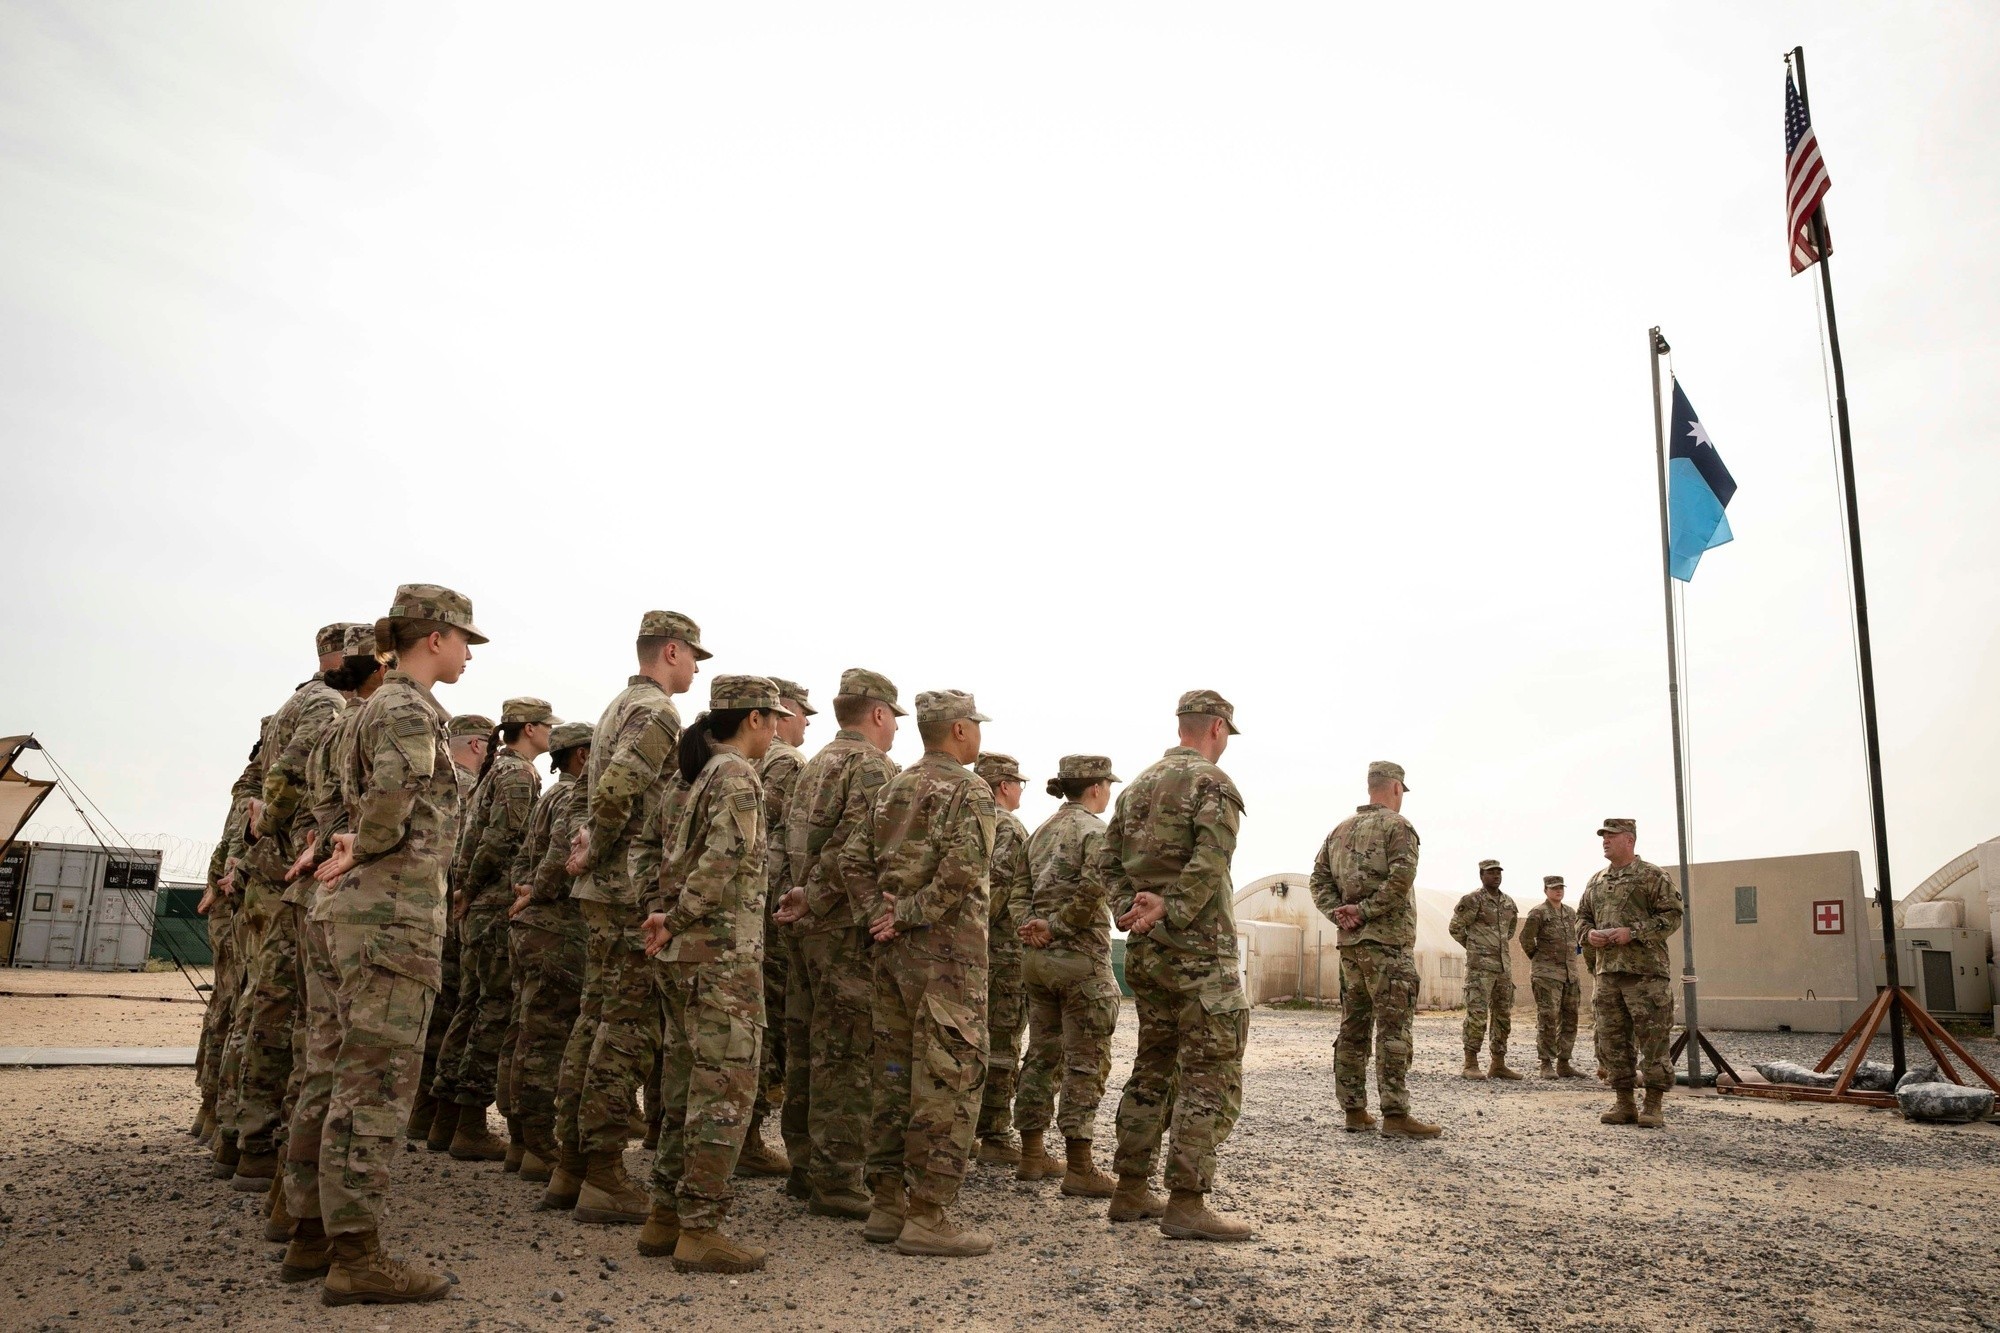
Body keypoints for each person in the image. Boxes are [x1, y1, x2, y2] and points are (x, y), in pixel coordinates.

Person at [289, 583, 484, 1305]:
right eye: (465, 639)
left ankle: (310, 1233)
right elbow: (391, 806)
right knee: (372, 1085)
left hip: (351, 912)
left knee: (330, 1073)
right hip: (390, 915)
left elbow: (331, 799)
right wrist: (362, 845)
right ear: (433, 637)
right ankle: (356, 1255)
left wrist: (342, 846)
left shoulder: (365, 710)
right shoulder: (406, 708)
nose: (468, 653)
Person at [635, 676, 793, 1273]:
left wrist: (664, 915)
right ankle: (700, 1227)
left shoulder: (697, 776)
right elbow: (724, 857)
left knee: (682, 1090)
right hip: (719, 957)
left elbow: (655, 851)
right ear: (752, 719)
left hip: (688, 958)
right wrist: (676, 918)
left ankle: (664, 1217)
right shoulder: (735, 776)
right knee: (723, 1094)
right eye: (772, 717)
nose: (777, 728)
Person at [552, 610, 706, 1221]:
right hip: (626, 893)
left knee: (594, 1022)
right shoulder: (658, 712)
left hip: (605, 891)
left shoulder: (621, 704)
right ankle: (604, 1172)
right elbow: (617, 789)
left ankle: (573, 1163)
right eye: (694, 655)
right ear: (671, 651)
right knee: (627, 1030)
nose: (696, 667)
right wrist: (598, 842)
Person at [847, 690, 996, 1257]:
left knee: (892, 1073)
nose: (978, 736)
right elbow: (963, 870)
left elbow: (850, 859)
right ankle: (928, 1214)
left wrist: (877, 915)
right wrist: (905, 915)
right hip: (947, 961)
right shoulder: (969, 789)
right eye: (974, 726)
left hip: (892, 958)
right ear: (959, 730)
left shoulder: (894, 787)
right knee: (947, 1079)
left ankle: (887, 1204)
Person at [1102, 690, 1253, 1241]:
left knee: (1154, 1067)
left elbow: (1107, 856)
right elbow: (1211, 860)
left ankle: (1130, 1188)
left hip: (1148, 955)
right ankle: (1187, 1202)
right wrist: (1173, 907)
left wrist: (1129, 908)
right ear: (1216, 728)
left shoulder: (1138, 785)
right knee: (1208, 1075)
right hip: (1198, 956)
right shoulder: (1212, 784)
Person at [214, 621, 357, 1186]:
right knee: (283, 1011)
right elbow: (277, 781)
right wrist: (273, 834)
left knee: (260, 1003)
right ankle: (257, 1143)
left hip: (270, 873)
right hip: (286, 875)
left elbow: (247, 781)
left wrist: (249, 841)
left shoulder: (294, 703)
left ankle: (236, 1134)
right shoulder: (326, 706)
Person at [770, 669, 902, 1218]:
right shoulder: (871, 766)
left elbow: (784, 836)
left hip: (804, 925)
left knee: (805, 1044)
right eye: (894, 717)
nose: (895, 729)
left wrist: (790, 897)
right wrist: (814, 897)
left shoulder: (815, 761)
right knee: (845, 1051)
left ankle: (804, 1165)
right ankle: (838, 1176)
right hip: (840, 926)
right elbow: (855, 845)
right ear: (877, 714)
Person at [432, 697, 557, 1163]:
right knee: (492, 1012)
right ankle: (467, 1123)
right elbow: (502, 837)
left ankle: (442, 1118)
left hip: (479, 902)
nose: (550, 734)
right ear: (528, 729)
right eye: (546, 725)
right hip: (496, 901)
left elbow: (472, 836)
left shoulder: (495, 772)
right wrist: (472, 884)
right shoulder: (518, 775)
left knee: (470, 1006)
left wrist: (464, 885)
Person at [1312, 760, 1440, 1141]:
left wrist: (1341, 913)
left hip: (1352, 946)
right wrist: (1365, 912)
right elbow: (1402, 879)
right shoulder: (1398, 827)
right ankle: (1395, 1113)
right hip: (1387, 944)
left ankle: (1354, 1110)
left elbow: (1318, 880)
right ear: (1396, 788)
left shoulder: (1339, 831)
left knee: (1353, 1025)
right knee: (1393, 1028)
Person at [1014, 754, 1121, 1198]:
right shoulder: (1095, 831)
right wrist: (1057, 926)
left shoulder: (1039, 831)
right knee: (1085, 1061)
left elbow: (1018, 889)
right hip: (1079, 962)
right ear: (1096, 788)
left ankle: (1032, 1154)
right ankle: (1079, 1167)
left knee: (1041, 1054)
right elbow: (1095, 888)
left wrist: (1030, 925)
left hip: (1037, 962)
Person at [503, 720, 593, 1180]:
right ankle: (538, 1146)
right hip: (556, 931)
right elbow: (561, 855)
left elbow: (523, 855)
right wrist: (536, 892)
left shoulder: (548, 797)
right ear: (582, 756)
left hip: (535, 927)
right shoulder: (574, 798)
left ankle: (523, 1143)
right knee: (545, 1041)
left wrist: (523, 889)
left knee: (525, 1033)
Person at [735, 676, 812, 1179]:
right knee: (770, 1024)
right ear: (781, 712)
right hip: (775, 907)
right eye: (803, 712)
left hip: (754, 904)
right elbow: (786, 837)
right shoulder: (785, 762)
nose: (806, 722)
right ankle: (748, 1139)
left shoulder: (747, 757)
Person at [407, 712, 494, 1142]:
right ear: (478, 745)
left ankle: (423, 1112)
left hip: (434, 911)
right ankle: (433, 1113)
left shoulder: (437, 781)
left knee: (437, 1016)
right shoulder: (466, 788)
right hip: (453, 911)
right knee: (453, 1011)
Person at [1577, 818, 1682, 1127]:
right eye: (1603, 837)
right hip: (1608, 973)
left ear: (1629, 840)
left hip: (1646, 974)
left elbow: (1673, 916)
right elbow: (1581, 916)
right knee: (1612, 1040)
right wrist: (1588, 934)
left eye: (1611, 836)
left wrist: (1633, 932)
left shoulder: (1652, 876)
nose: (1605, 841)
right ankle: (1624, 1103)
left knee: (1653, 1039)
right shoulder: (1597, 880)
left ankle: (1653, 1105)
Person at [972, 752, 1032, 1167]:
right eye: (1017, 782)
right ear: (1004, 786)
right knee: (1002, 1039)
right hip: (1002, 953)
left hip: (973, 950)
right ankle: (993, 1132)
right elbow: (999, 892)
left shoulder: (968, 815)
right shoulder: (1007, 826)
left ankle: (973, 1127)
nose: (1021, 790)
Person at [1448, 859, 1522, 1081]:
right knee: (1477, 1015)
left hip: (1502, 969)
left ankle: (1498, 1064)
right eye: (1491, 873)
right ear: (1481, 875)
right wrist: (1476, 948)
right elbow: (1455, 928)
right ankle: (1470, 1063)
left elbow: (1509, 931)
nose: (1496, 876)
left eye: (1499, 872)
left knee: (1503, 1016)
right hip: (1480, 969)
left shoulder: (1508, 903)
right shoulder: (1472, 900)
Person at [1519, 874, 1583, 1078]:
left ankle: (1564, 1062)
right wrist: (1539, 960)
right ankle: (1546, 1063)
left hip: (1569, 974)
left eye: (1561, 887)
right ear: (1545, 890)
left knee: (1570, 1018)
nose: (1558, 891)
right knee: (1548, 1018)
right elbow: (1526, 939)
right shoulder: (1538, 913)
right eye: (1554, 888)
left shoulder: (1570, 913)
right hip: (1547, 975)